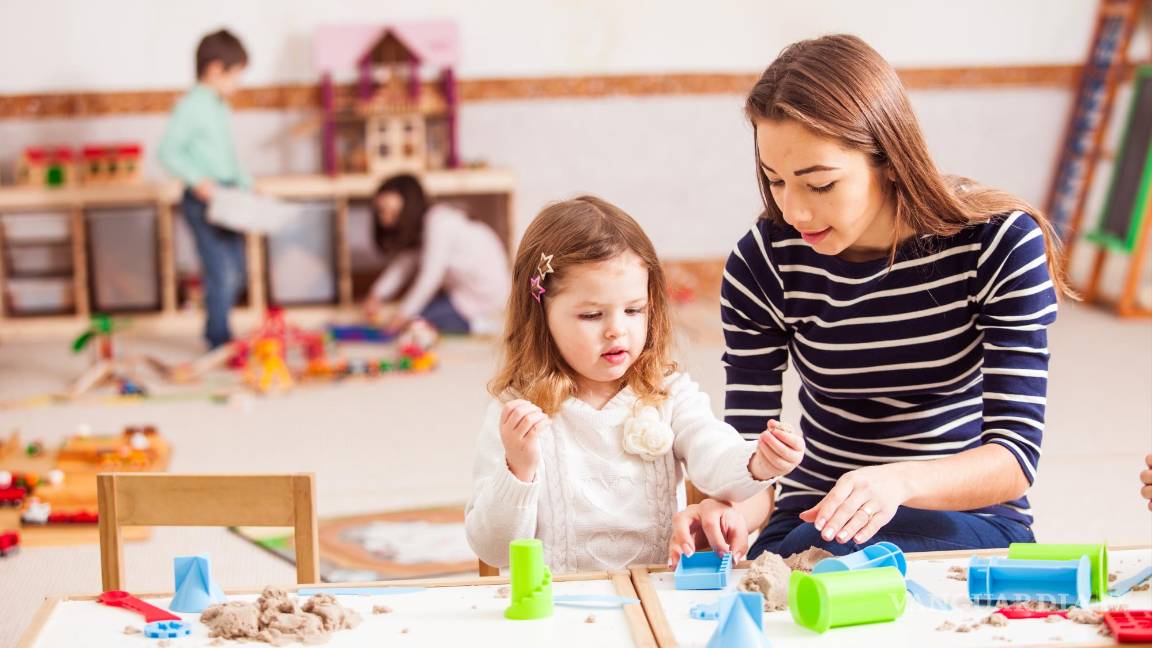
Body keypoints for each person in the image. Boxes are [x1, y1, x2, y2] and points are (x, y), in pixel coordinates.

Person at [669, 34, 1074, 564]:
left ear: (888, 157)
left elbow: (1014, 457)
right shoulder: (764, 262)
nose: (795, 212)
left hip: (966, 519)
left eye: (820, 185)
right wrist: (725, 513)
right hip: (814, 517)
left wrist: (895, 484)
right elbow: (750, 459)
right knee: (810, 560)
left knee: (841, 560)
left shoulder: (997, 245)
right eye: (776, 181)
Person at [465, 196, 804, 572]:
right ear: (541, 316)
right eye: (592, 315)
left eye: (634, 310)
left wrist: (757, 461)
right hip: (557, 610)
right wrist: (519, 469)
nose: (616, 330)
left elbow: (713, 455)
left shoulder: (668, 393)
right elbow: (492, 549)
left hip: (654, 596)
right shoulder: (516, 411)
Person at [158, 29, 251, 349]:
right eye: (236, 75)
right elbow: (168, 151)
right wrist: (197, 180)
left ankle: (220, 328)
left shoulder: (218, 105)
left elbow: (228, 155)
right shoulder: (190, 106)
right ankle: (218, 337)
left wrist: (246, 187)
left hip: (228, 195)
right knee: (220, 269)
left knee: (237, 268)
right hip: (203, 200)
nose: (238, 84)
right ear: (214, 69)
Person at [363, 174, 510, 335]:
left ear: (407, 208)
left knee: (418, 322)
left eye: (390, 212)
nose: (385, 220)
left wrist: (402, 316)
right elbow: (404, 264)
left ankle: (481, 325)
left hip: (483, 299)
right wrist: (377, 294)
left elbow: (430, 278)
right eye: (381, 212)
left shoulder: (439, 223)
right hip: (462, 293)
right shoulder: (426, 225)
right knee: (420, 312)